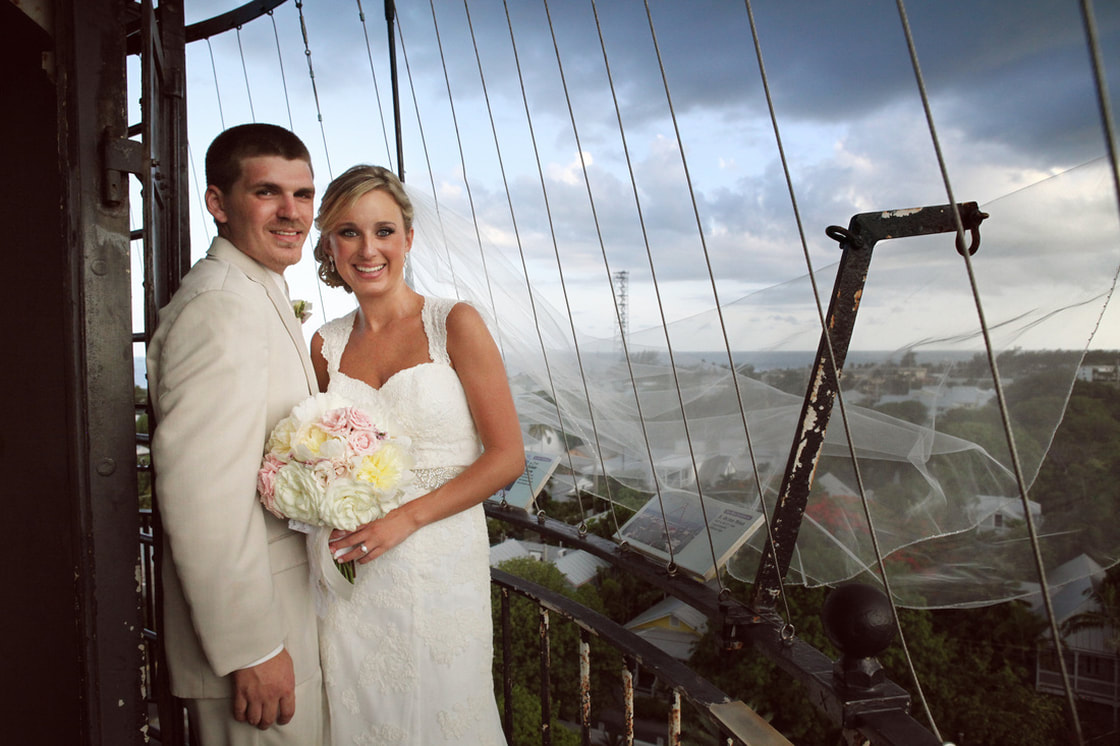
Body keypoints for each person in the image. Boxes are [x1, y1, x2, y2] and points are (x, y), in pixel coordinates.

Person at [309, 164, 525, 744]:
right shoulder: (323, 345)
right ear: (329, 245)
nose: (368, 248)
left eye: (384, 231)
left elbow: (507, 457)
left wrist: (404, 518)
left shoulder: (453, 322)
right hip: (352, 570)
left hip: (439, 562)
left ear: (408, 238)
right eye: (348, 232)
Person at [147, 123, 328, 745]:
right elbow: (203, 497)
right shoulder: (221, 308)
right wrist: (252, 647)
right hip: (255, 646)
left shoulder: (258, 288)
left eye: (303, 194)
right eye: (268, 193)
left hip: (290, 618)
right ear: (218, 203)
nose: (292, 213)